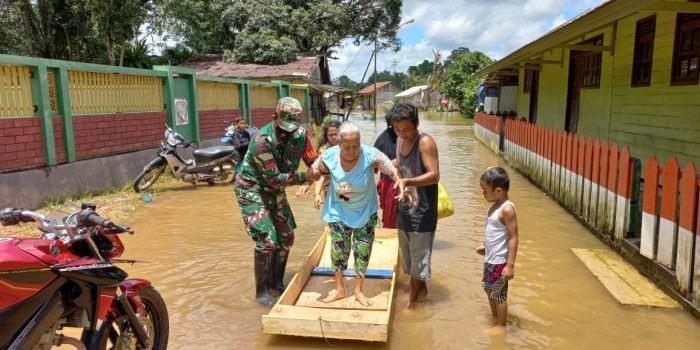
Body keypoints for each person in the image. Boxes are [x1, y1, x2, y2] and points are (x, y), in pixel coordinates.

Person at [298, 122, 405, 306]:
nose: (352, 151)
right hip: (339, 210)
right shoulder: (329, 155)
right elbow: (315, 171)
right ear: (338, 143)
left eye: (356, 146)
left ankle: (358, 291)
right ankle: (340, 289)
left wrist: (400, 181)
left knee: (362, 251)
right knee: (338, 251)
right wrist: (307, 184)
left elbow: (390, 168)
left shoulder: (370, 154)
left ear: (360, 142)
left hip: (365, 210)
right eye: (346, 147)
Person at [234, 97, 318, 307]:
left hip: (276, 190)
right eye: (284, 128)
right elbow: (273, 178)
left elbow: (314, 162)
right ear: (274, 118)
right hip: (252, 188)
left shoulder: (301, 136)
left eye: (292, 128)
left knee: (287, 236)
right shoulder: (261, 141)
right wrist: (304, 178)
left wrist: (326, 171)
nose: (287, 133)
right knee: (267, 239)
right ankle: (261, 293)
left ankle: (276, 283)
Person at [388, 102, 440, 312]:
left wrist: (408, 182)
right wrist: (393, 165)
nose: (403, 133)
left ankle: (411, 303)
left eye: (407, 129)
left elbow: (434, 175)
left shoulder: (425, 142)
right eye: (398, 129)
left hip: (423, 211)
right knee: (408, 257)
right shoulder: (400, 141)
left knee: (419, 258)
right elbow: (402, 164)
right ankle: (422, 292)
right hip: (405, 208)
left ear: (417, 123)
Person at [476, 167, 519, 333]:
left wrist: (510, 265)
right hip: (490, 259)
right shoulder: (493, 206)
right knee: (488, 288)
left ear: (499, 191)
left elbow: (513, 237)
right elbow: (493, 232)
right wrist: (485, 247)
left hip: (500, 261)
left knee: (499, 295)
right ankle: (495, 317)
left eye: (485, 191)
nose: (483, 194)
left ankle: (501, 326)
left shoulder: (507, 209)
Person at [373, 114, 399, 229]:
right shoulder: (406, 137)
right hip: (390, 184)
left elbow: (374, 169)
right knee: (391, 216)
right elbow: (375, 165)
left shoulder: (381, 139)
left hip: (391, 182)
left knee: (391, 217)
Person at [313, 120, 341, 210]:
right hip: (329, 187)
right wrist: (317, 193)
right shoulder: (324, 152)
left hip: (347, 185)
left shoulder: (349, 147)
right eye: (330, 135)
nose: (333, 137)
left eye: (336, 134)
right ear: (326, 136)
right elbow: (320, 174)